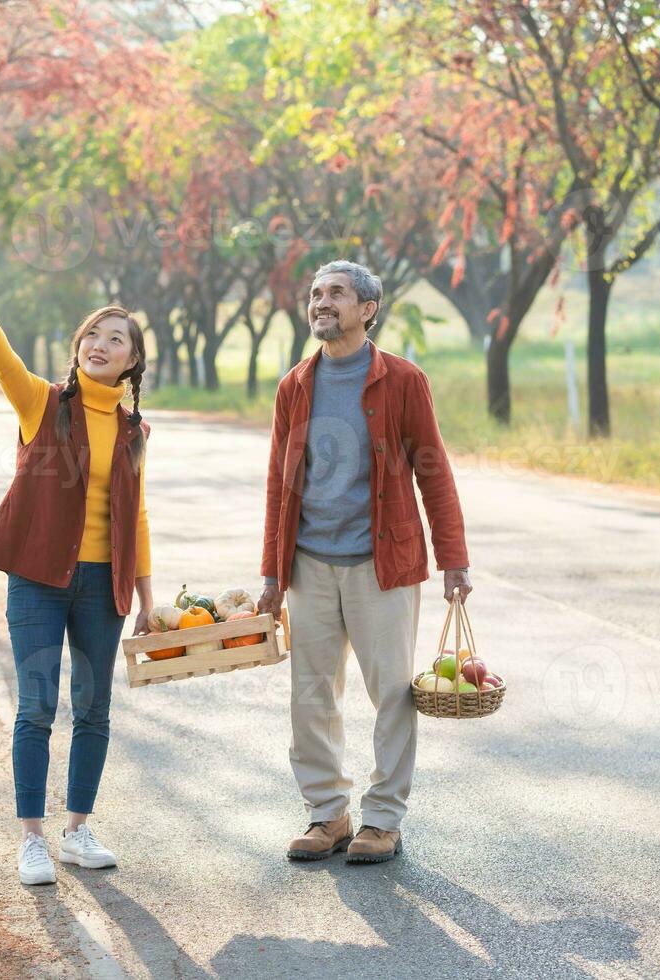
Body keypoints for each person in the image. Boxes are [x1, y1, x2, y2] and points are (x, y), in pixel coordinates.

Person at [0, 246, 154, 886]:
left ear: (131, 360)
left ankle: (77, 829)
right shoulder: (42, 401)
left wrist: (146, 599)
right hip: (38, 579)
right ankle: (31, 839)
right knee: (37, 706)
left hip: (101, 587)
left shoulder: (134, 430)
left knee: (93, 709)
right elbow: (0, 356)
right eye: (94, 332)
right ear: (79, 342)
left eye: (116, 338)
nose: (101, 343)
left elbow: (137, 517)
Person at [256, 259, 471, 865]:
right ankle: (327, 814)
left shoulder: (402, 381)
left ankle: (382, 819)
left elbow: (433, 470)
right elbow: (279, 483)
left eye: (337, 294)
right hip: (310, 565)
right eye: (316, 294)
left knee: (393, 694)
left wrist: (455, 560)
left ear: (368, 309)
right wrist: (271, 572)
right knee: (310, 694)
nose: (322, 303)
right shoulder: (295, 385)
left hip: (384, 566)